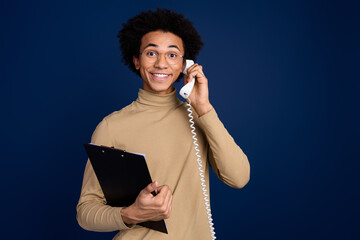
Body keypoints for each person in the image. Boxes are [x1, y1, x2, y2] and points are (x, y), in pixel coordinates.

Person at [76, 8, 250, 240]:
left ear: (184, 64)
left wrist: (204, 109)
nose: (161, 63)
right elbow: (85, 212)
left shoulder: (200, 118)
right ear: (136, 60)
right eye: (151, 53)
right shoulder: (111, 126)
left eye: (172, 54)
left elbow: (238, 178)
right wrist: (131, 214)